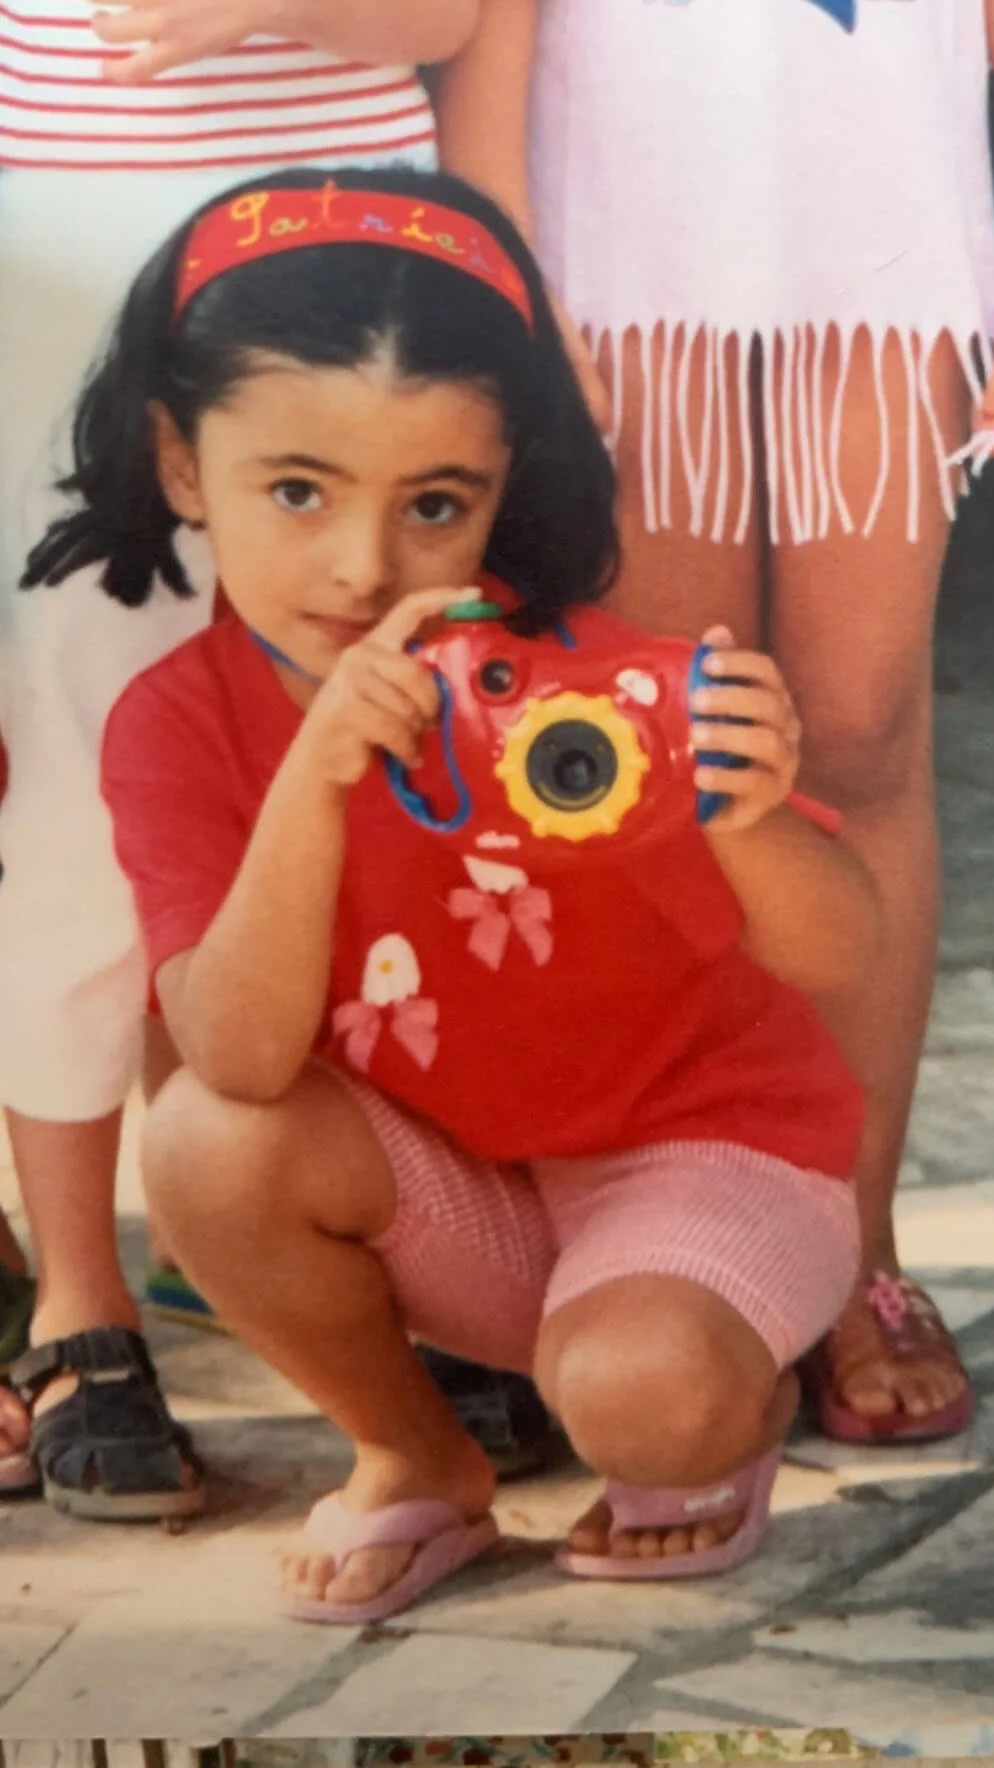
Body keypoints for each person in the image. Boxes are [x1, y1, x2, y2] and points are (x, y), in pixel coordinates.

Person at [34, 163, 877, 1613]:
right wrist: (315, 776)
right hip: (459, 1200)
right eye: (295, 490)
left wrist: (742, 808)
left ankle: (707, 1375)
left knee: (637, 1397)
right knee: (205, 1144)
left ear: (503, 486)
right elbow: (235, 1056)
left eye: (436, 502)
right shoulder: (177, 725)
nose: (362, 567)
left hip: (702, 1153)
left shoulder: (585, 683)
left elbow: (835, 953)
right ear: (182, 463)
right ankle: (415, 1457)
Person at [0, 0, 555, 1512]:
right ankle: (77, 1300)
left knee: (391, 781)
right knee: (74, 791)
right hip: (52, 243)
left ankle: (387, 1260)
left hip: (359, 267)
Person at [433, 0, 994, 1443]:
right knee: (666, 733)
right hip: (622, 212)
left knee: (858, 731)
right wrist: (502, 256)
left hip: (879, 196)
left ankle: (854, 1247)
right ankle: (676, 1253)